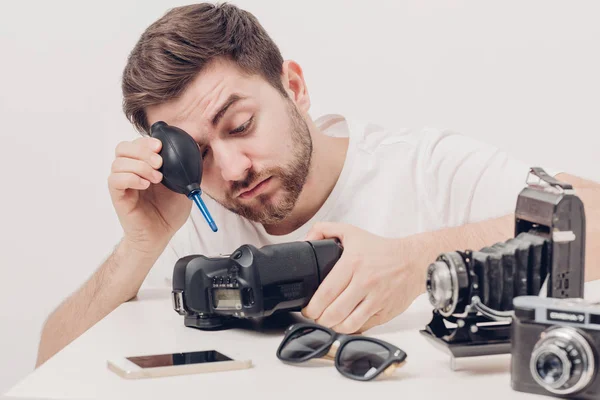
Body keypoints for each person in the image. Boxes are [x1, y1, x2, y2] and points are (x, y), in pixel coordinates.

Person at [35, 3, 600, 367]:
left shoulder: (425, 168)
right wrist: (142, 244)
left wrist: (420, 259)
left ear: (295, 87)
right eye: (200, 154)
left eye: (241, 125)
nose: (232, 170)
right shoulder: (195, 217)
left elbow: (590, 212)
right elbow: (51, 362)